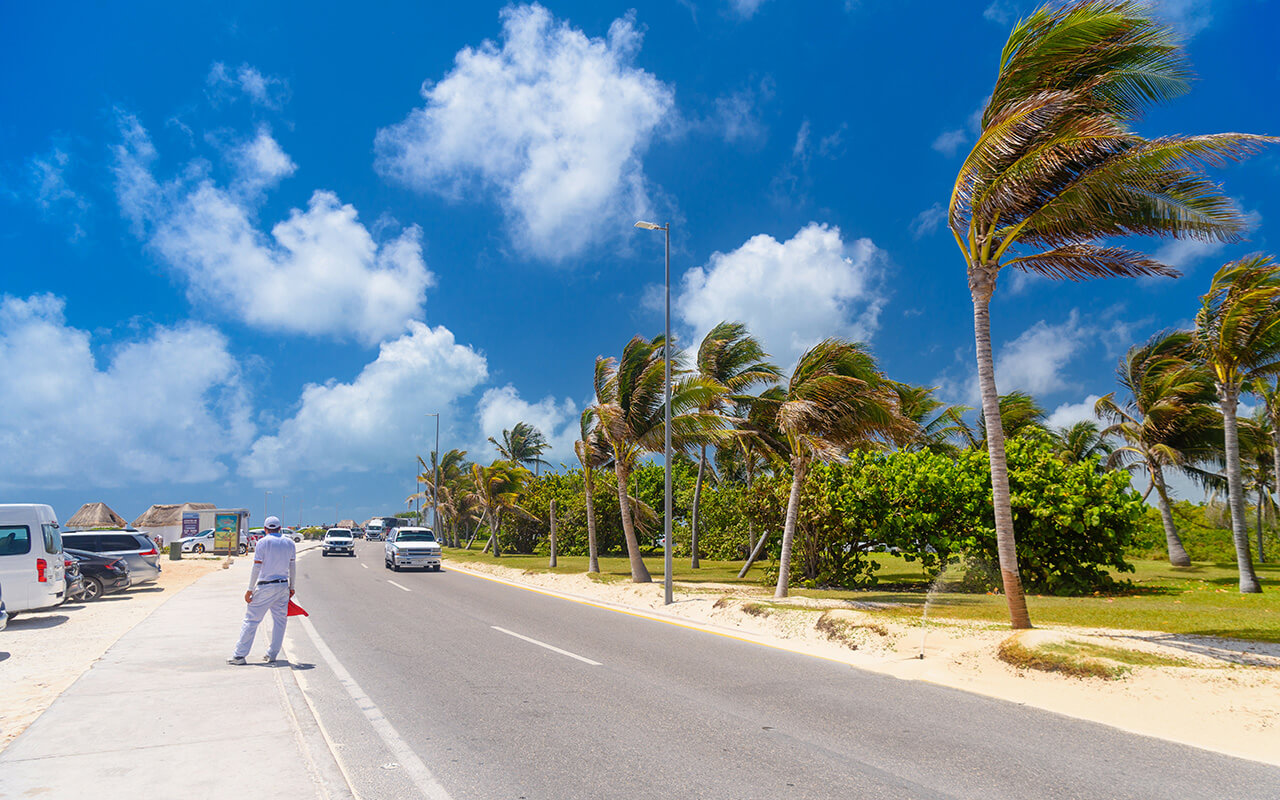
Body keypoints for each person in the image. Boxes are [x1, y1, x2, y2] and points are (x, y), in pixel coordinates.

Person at [227, 516, 296, 665]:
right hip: (283, 586)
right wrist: (292, 587)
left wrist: (249, 589)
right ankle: (272, 654)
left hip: (265, 586)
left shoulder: (263, 542)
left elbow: (256, 567)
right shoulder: (290, 543)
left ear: (265, 529)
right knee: (280, 622)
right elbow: (292, 567)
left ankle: (239, 655)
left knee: (251, 620)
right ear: (279, 528)